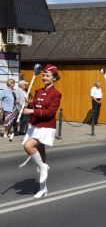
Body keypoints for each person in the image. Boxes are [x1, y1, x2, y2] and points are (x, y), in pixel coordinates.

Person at [21, 65, 62, 198]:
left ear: (54, 78)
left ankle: (43, 167)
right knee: (41, 152)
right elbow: (36, 105)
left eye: (48, 75)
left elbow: (50, 112)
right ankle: (43, 188)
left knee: (28, 146)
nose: (44, 77)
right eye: (43, 75)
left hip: (45, 126)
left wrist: (32, 111)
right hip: (35, 125)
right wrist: (29, 103)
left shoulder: (56, 94)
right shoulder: (39, 91)